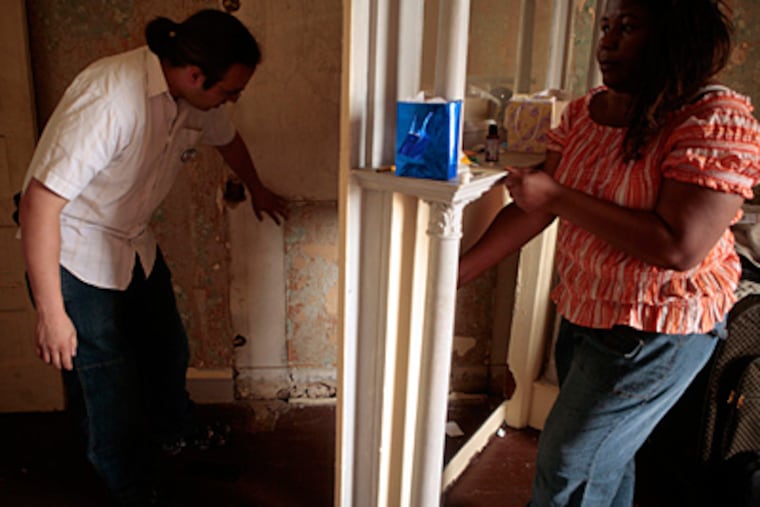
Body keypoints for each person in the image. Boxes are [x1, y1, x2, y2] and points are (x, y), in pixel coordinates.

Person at [458, 0, 760, 505]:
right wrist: (454, 277)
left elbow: (679, 246)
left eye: (629, 26)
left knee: (569, 466)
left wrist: (555, 195)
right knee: (604, 464)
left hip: (657, 329)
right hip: (585, 311)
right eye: (606, 26)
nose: (608, 40)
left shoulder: (714, 120)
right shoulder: (586, 111)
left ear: (674, 37)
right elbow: (534, 207)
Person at [17, 9, 286, 506]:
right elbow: (39, 203)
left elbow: (228, 141)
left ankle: (172, 433)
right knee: (105, 377)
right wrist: (51, 313)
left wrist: (258, 189)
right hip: (72, 248)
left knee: (166, 348)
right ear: (193, 74)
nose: (232, 100)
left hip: (130, 241)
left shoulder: (196, 98)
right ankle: (125, 482)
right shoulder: (109, 98)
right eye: (229, 91)